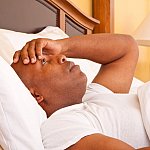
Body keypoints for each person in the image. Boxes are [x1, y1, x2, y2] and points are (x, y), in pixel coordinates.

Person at [11, 33, 150, 150]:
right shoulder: (60, 127)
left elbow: (127, 48)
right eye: (44, 62)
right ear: (36, 95)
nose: (62, 57)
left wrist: (61, 46)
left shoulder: (93, 98)